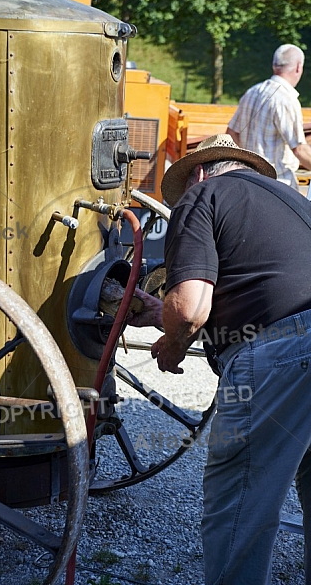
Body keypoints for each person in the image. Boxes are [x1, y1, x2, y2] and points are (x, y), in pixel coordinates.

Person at [128, 133, 311, 585]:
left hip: (280, 355)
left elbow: (189, 308)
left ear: (200, 172)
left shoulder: (202, 195)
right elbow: (258, 283)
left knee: (241, 499)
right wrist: (164, 316)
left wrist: (172, 346)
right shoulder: (294, 200)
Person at [227, 44, 311, 193]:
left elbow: (232, 133)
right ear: (298, 67)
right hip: (277, 186)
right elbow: (299, 149)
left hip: (249, 181)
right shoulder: (286, 99)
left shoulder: (252, 92)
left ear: (274, 66)